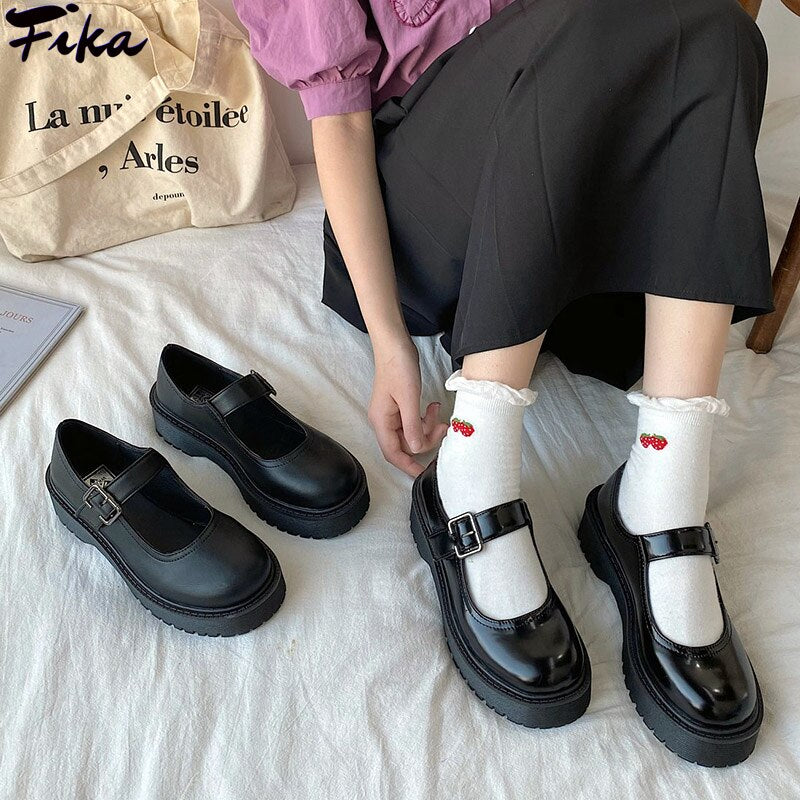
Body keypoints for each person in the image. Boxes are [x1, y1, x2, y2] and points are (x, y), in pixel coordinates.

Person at [233, 0, 771, 765]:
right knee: (584, 18)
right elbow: (342, 125)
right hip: (428, 209)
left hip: (570, 204)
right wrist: (390, 343)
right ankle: (472, 470)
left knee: (717, 24)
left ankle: (662, 494)